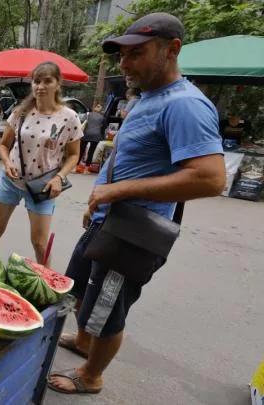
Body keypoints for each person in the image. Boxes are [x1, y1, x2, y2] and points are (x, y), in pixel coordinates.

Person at [48, 13, 226, 395]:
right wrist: (99, 199)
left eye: (137, 54)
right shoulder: (150, 97)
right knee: (80, 287)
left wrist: (116, 193)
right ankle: (82, 340)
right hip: (108, 218)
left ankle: (91, 375)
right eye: (122, 55)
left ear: (171, 49)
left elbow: (211, 178)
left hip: (133, 233)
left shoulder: (185, 105)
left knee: (108, 309)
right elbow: (126, 159)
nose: (125, 64)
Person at [0, 62, 82, 264]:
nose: (41, 86)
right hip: (10, 181)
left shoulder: (69, 118)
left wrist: (59, 178)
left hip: (43, 187)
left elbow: (73, 155)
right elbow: (3, 145)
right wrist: (7, 162)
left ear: (58, 83)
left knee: (39, 243)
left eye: (47, 81)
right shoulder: (21, 112)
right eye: (37, 81)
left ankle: (44, 285)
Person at [77, 103, 107, 173]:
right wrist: (103, 137)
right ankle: (86, 170)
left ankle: (75, 168)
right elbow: (104, 127)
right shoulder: (102, 117)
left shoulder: (87, 114)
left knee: (81, 151)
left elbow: (81, 122)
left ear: (94, 108)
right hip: (96, 136)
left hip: (86, 134)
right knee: (91, 152)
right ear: (101, 110)